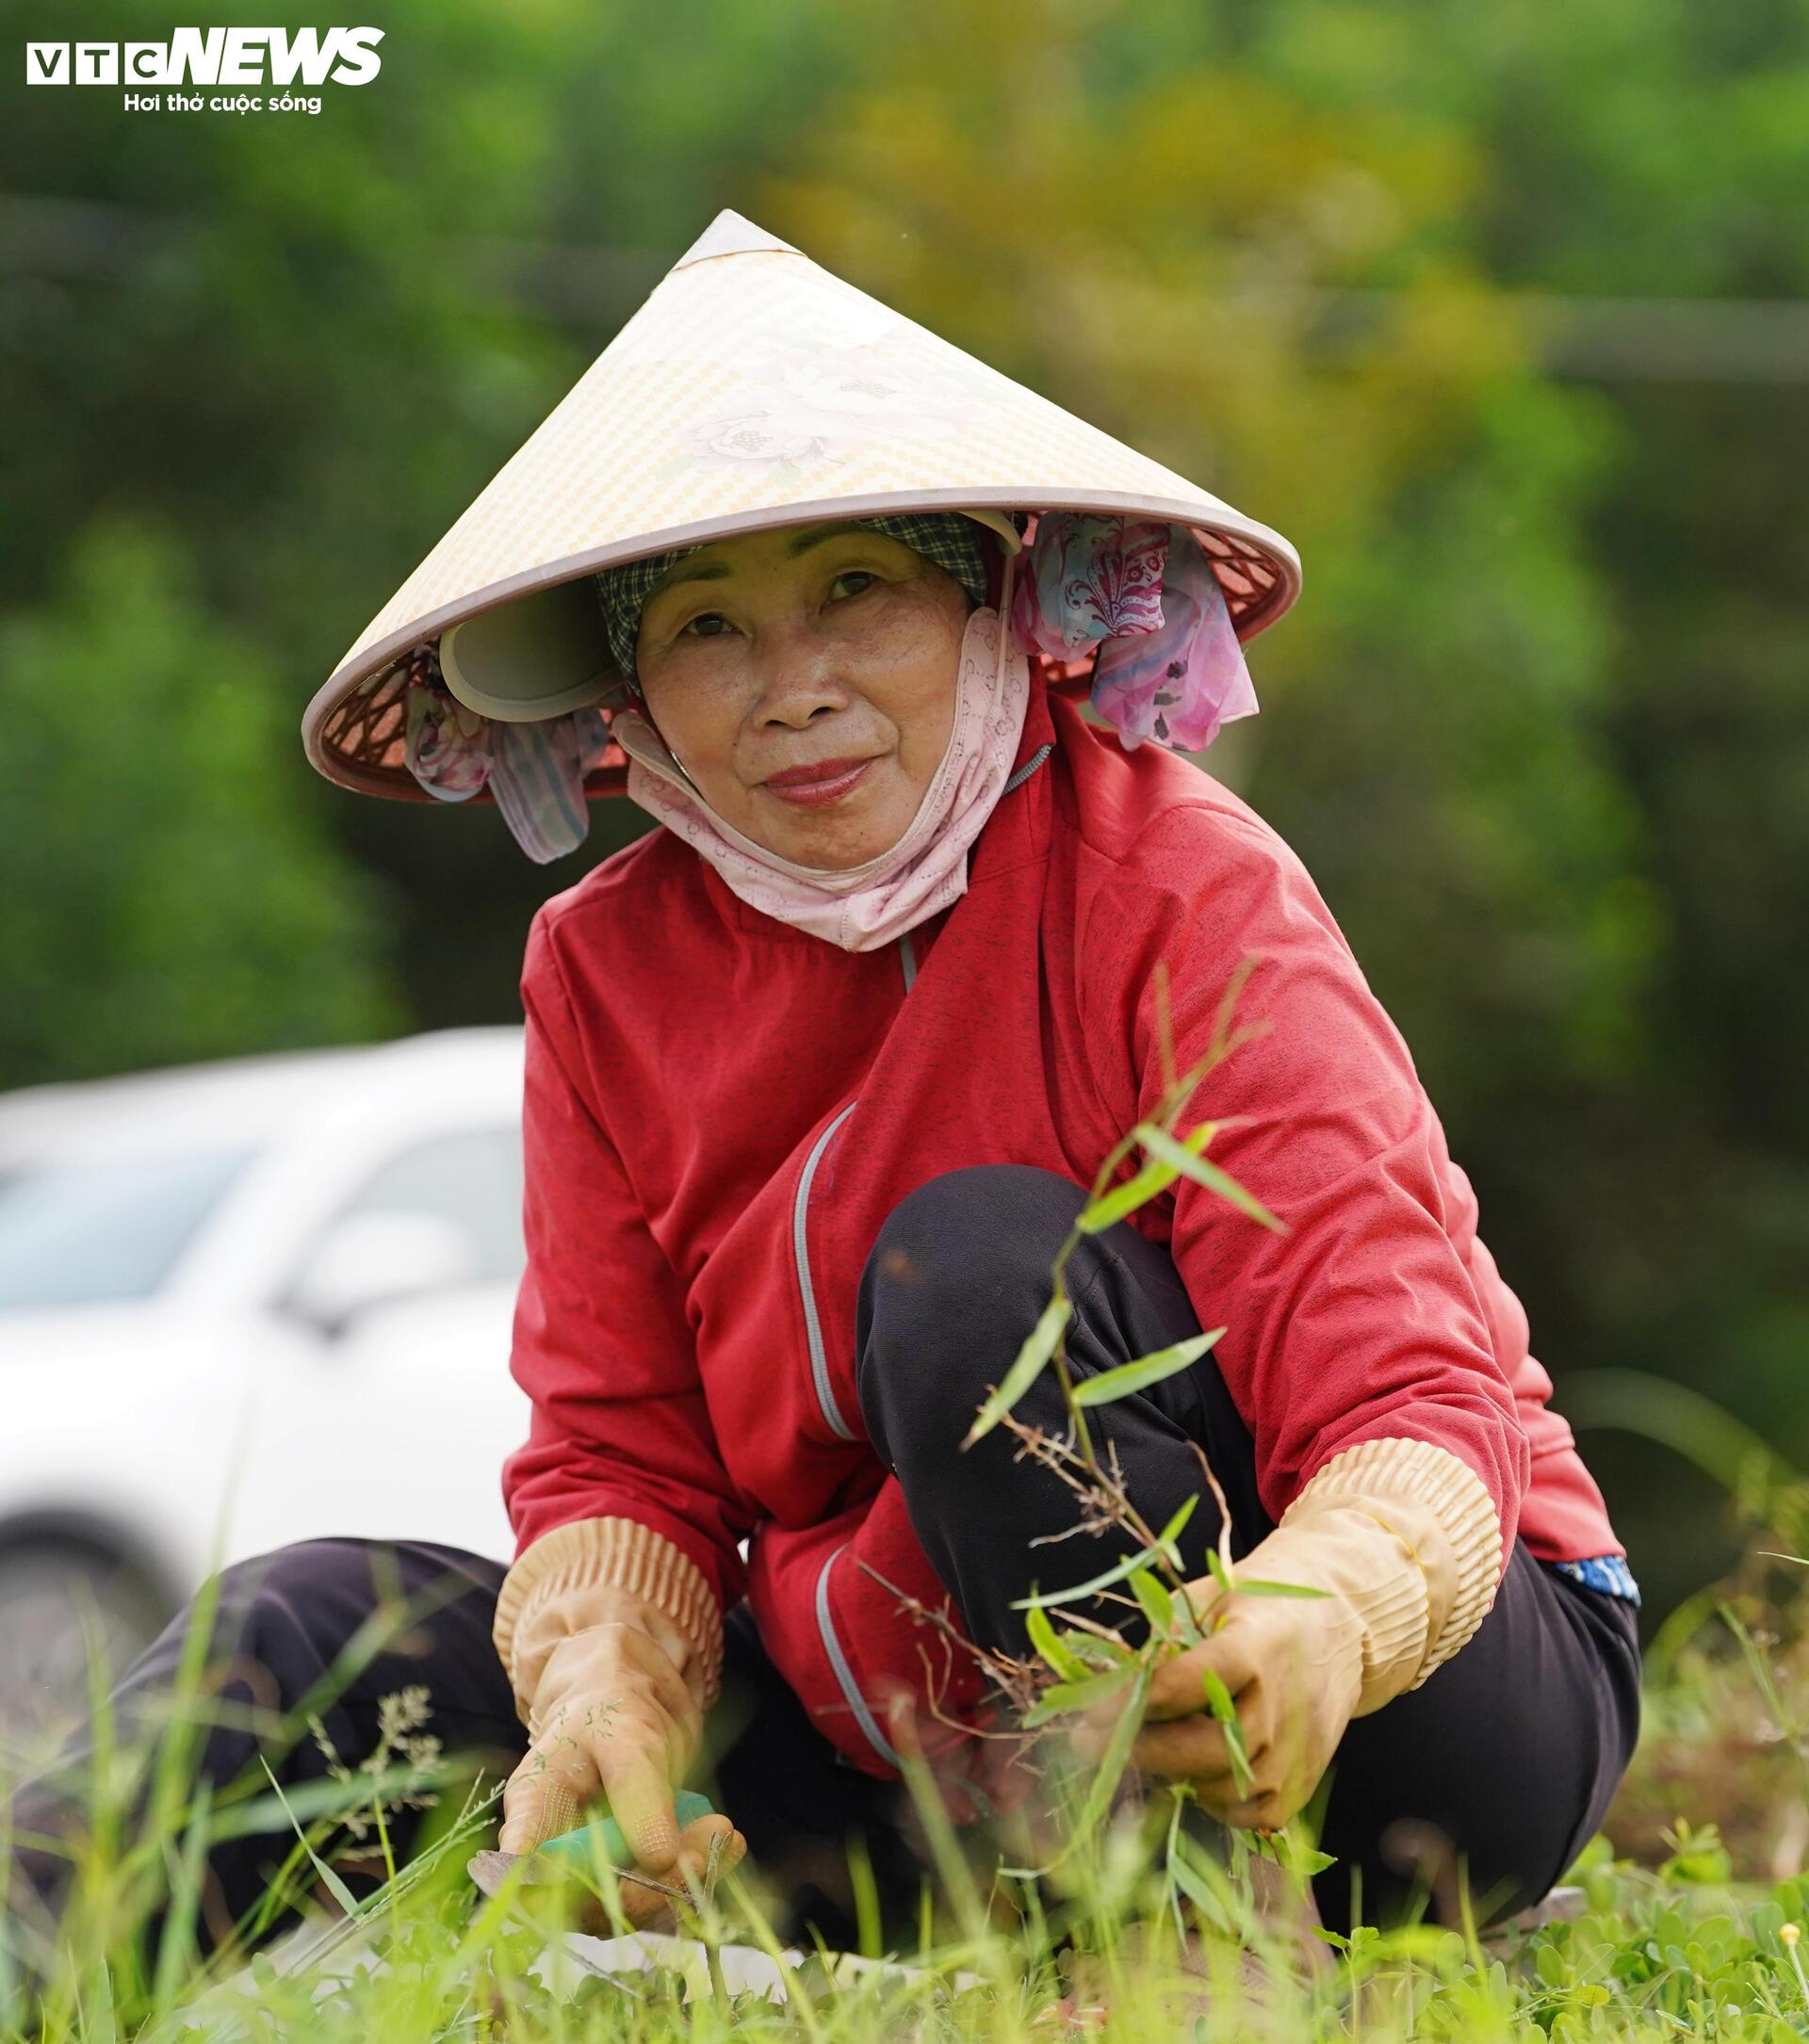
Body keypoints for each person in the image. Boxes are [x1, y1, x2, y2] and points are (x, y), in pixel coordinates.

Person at [8, 210, 1639, 1959]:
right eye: (710, 624)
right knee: (302, 1620)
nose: (795, 689)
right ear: (634, 691)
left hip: (1384, 1711)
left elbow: (1399, 1368)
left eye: (855, 588)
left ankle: (1177, 1931)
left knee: (973, 1278)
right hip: (899, 1755)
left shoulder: (1171, 878)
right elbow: (618, 1450)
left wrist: (1334, 1599)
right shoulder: (604, 968)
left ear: (975, 599)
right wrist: (612, 1687)